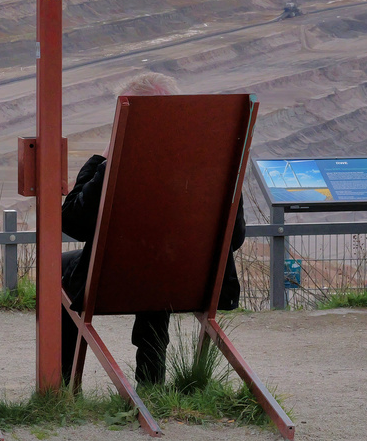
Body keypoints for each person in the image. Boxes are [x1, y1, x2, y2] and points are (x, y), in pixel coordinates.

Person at [60, 72, 246, 386]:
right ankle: (150, 379)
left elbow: (73, 223)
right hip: (197, 280)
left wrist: (102, 156)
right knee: (160, 261)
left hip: (120, 280)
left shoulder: (116, 166)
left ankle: (63, 384)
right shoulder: (217, 163)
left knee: (61, 268)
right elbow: (235, 237)